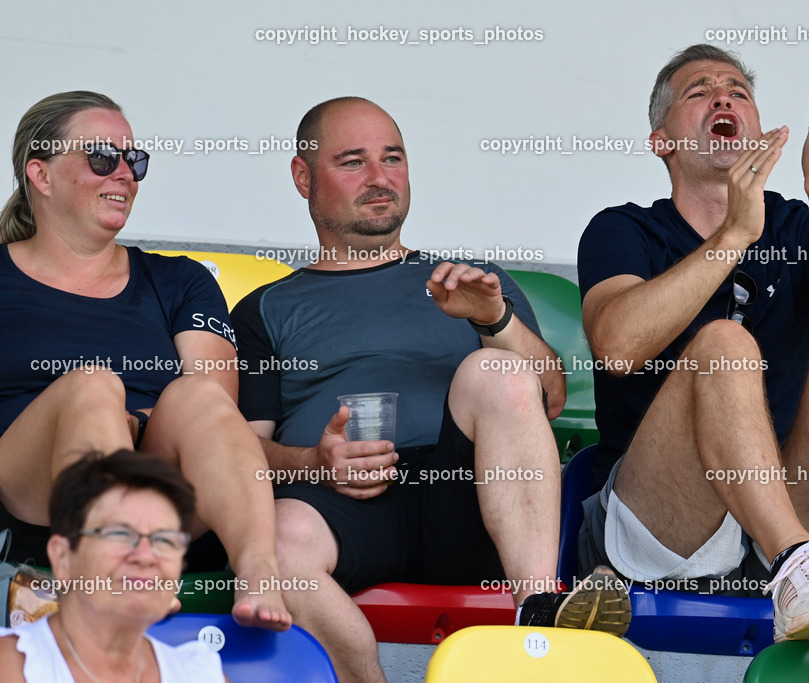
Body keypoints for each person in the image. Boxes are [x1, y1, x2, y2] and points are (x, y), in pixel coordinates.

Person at [232, 96, 630, 682]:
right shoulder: (266, 308)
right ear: (303, 177)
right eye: (352, 161)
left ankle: (540, 609)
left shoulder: (473, 282)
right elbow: (239, 450)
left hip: (471, 499)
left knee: (495, 370)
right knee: (279, 544)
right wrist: (315, 462)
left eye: (392, 158)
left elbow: (546, 398)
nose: (379, 178)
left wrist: (494, 322)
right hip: (341, 501)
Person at [576, 44, 809, 644]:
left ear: (758, 128)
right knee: (725, 341)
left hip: (781, 497)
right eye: (698, 92)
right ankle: (794, 562)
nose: (723, 96)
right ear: (661, 140)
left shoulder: (796, 224)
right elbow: (619, 346)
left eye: (738, 92)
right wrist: (734, 234)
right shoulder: (622, 227)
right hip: (660, 519)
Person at [0, 91, 290, 631]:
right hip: (28, 487)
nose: (125, 175)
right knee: (91, 387)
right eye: (101, 158)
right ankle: (116, 568)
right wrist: (105, 410)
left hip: (164, 482)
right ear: (40, 174)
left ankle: (257, 568)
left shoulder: (179, 280)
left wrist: (132, 427)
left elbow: (215, 405)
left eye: (134, 161)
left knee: (198, 394)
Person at [0, 450, 227, 682]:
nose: (146, 556)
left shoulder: (202, 675)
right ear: (63, 557)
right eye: (120, 534)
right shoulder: (9, 666)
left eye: (165, 540)